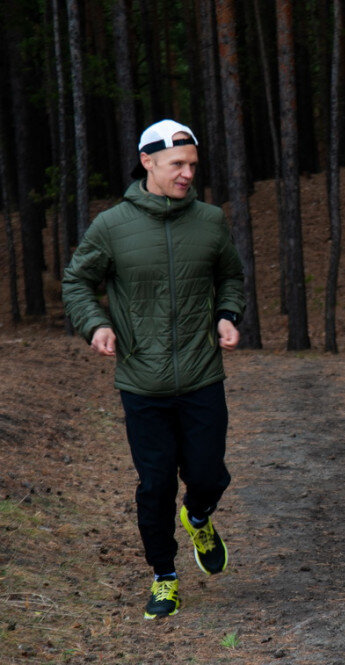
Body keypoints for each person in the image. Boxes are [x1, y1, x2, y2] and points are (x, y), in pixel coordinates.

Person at [62, 119, 246, 619]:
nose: (187, 174)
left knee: (208, 475)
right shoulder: (112, 226)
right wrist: (95, 325)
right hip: (143, 383)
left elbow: (230, 274)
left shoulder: (209, 220)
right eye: (177, 165)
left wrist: (228, 314)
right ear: (147, 162)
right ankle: (164, 576)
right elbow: (77, 283)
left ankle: (200, 516)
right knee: (156, 483)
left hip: (203, 374)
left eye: (192, 165)